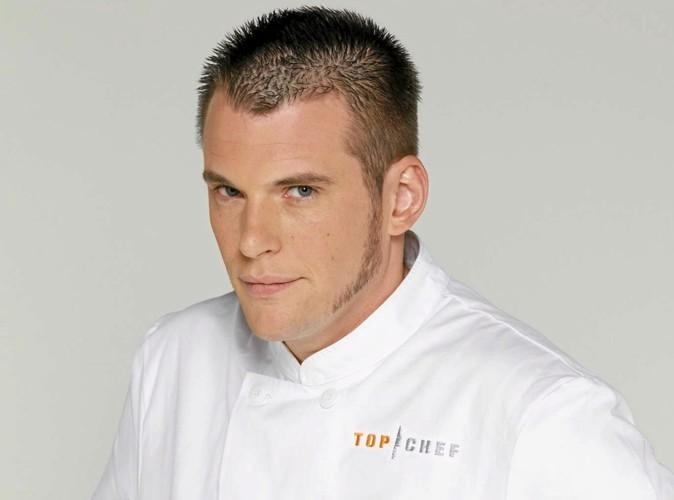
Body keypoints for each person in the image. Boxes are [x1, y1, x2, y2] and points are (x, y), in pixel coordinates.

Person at [92, 6, 674, 499]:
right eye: (228, 191)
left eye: (300, 191)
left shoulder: (540, 414)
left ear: (401, 198)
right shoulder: (174, 359)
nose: (250, 240)